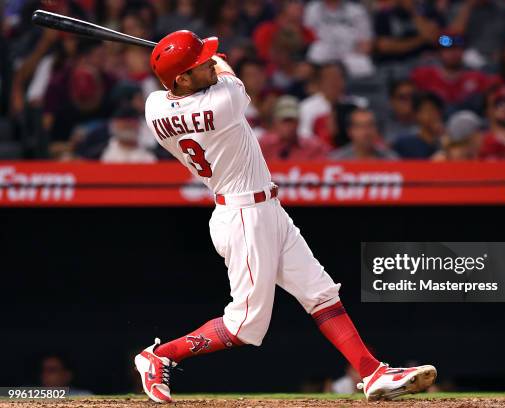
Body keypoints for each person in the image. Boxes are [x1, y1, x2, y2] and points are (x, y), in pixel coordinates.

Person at [136, 31, 436, 403]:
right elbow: (226, 70)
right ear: (181, 79)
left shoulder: (154, 108)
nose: (210, 63)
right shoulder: (223, 102)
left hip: (263, 209)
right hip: (244, 215)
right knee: (244, 325)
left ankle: (372, 372)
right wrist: (214, 61)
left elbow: (195, 77)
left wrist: (191, 62)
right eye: (200, 64)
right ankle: (158, 356)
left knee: (320, 293)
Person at [410, 32, 498, 112]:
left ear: (463, 51)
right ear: (439, 53)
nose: (453, 53)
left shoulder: (477, 78)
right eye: (448, 49)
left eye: (457, 49)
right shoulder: (424, 75)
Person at [259, 96, 330, 160]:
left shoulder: (314, 147)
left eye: (293, 121)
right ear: (275, 122)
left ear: (299, 122)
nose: (290, 126)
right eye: (285, 120)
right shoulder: (263, 146)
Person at [330, 108, 398, 160]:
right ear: (350, 131)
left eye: (370, 125)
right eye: (360, 126)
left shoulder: (390, 159)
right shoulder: (336, 160)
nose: (366, 132)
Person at [393, 92, 445, 159]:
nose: (433, 114)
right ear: (416, 114)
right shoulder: (405, 144)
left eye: (436, 110)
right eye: (428, 110)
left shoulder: (445, 142)